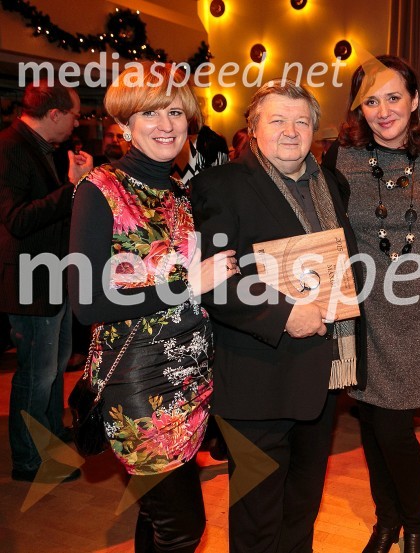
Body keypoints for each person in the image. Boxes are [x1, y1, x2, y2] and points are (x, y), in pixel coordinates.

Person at [69, 62, 237, 552]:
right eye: (149, 113)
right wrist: (189, 283)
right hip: (138, 385)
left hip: (191, 378)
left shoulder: (180, 194)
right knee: (185, 526)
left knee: (158, 520)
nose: (166, 125)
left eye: (175, 112)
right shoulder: (99, 190)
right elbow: (88, 303)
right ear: (125, 125)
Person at [191, 80, 360, 553]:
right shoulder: (220, 186)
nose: (291, 131)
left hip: (321, 378)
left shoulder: (330, 183)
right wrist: (284, 315)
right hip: (257, 379)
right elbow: (214, 283)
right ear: (253, 127)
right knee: (257, 519)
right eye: (278, 120)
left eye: (301, 121)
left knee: (302, 510)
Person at [322, 55, 420, 553]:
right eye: (371, 101)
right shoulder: (341, 157)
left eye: (394, 97)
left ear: (415, 100)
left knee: (392, 427)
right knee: (377, 421)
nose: (383, 111)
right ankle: (391, 522)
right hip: (362, 313)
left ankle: (414, 524)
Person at [0, 81, 92, 483]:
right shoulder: (10, 148)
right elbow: (18, 219)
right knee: (36, 374)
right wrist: (71, 188)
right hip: (30, 280)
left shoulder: (42, 149)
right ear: (53, 114)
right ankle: (29, 458)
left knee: (53, 369)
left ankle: (51, 436)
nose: (77, 123)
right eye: (73, 115)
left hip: (52, 277)